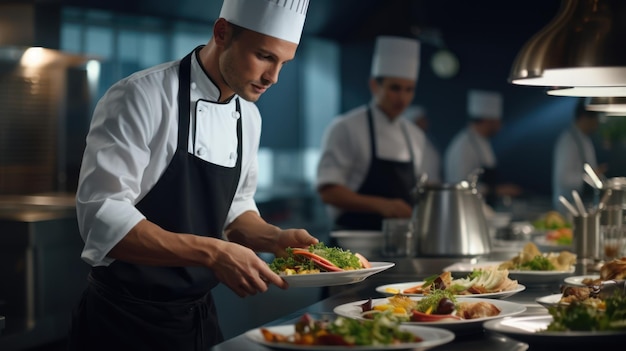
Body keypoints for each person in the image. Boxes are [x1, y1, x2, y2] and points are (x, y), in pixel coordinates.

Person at [68, 1, 318, 350]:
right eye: (264, 56)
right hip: (124, 322)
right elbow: (102, 217)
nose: (272, 78)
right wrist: (214, 254)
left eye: (283, 64)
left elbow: (235, 210)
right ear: (222, 32)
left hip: (198, 320)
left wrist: (275, 239)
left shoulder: (249, 116)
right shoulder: (140, 95)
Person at [316, 35, 426, 231]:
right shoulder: (345, 127)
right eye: (395, 88)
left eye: (409, 90)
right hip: (353, 241)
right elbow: (329, 192)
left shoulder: (415, 135)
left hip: (399, 241)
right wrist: (383, 205)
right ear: (375, 85)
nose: (402, 97)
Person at [443, 89, 521, 205]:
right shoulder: (463, 146)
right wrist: (499, 190)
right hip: (466, 208)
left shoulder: (482, 141)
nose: (501, 124)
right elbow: (460, 186)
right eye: (498, 120)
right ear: (488, 120)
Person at [552, 98, 606, 214]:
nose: (597, 123)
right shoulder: (568, 141)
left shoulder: (585, 139)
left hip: (584, 204)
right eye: (596, 119)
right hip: (568, 207)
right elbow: (564, 179)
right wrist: (589, 177)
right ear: (584, 118)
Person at [403, 105, 442, 183]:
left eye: (424, 120)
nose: (424, 123)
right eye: (420, 121)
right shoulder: (406, 145)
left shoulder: (428, 141)